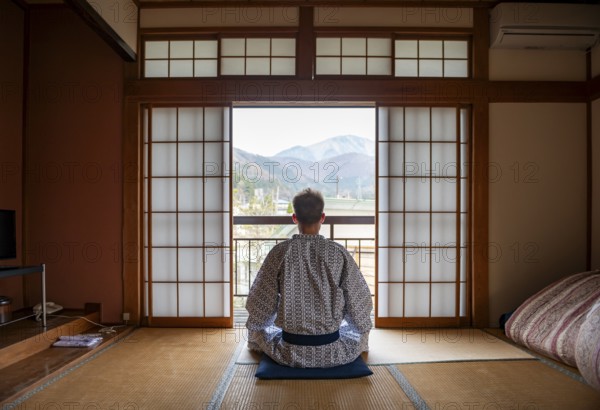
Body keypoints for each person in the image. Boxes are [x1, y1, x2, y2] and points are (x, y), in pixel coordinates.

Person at [245, 188, 373, 368]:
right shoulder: (338, 253)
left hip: (289, 350)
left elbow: (260, 302)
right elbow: (359, 300)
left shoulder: (280, 252)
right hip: (331, 349)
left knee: (256, 333)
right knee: (358, 334)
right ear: (323, 217)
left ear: (294, 218)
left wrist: (257, 324)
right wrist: (362, 327)